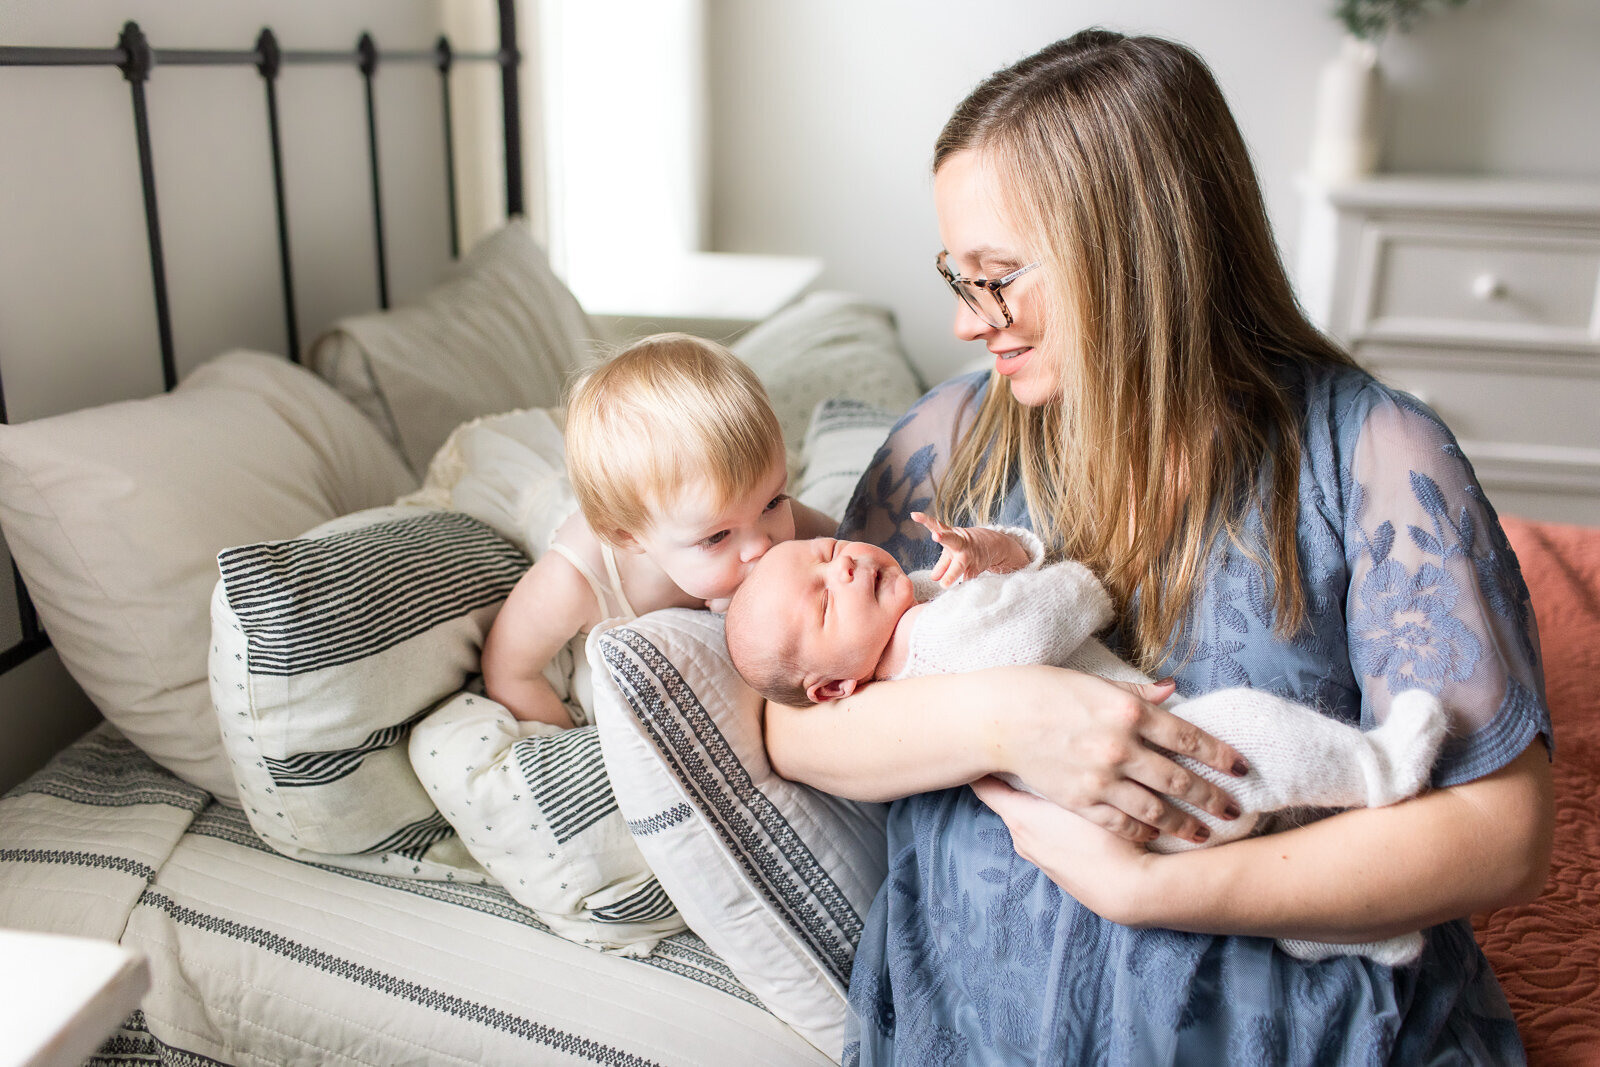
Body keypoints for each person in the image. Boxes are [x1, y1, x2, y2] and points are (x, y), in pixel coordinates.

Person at [762, 29, 1553, 1065]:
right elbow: (789, 719)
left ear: (1128, 254)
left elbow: (1505, 831)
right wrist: (1008, 716)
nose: (966, 321)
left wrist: (1155, 888)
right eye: (958, 274)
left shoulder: (1371, 455)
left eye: (996, 277)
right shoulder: (951, 439)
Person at [727, 530, 1448, 965]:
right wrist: (1069, 577)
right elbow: (1042, 615)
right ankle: (1379, 768)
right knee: (1255, 732)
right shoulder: (931, 638)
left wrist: (1004, 551)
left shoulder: (905, 629)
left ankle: (1337, 933)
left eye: (828, 552)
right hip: (1154, 779)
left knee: (1270, 815)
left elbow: (988, 588)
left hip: (1126, 801)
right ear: (831, 688)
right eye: (824, 598)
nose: (845, 567)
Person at [480, 331, 835, 727]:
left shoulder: (749, 515)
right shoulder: (572, 581)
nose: (762, 546)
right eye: (716, 537)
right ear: (629, 538)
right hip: (543, 504)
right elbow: (508, 671)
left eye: (774, 501)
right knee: (546, 487)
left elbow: (847, 538)